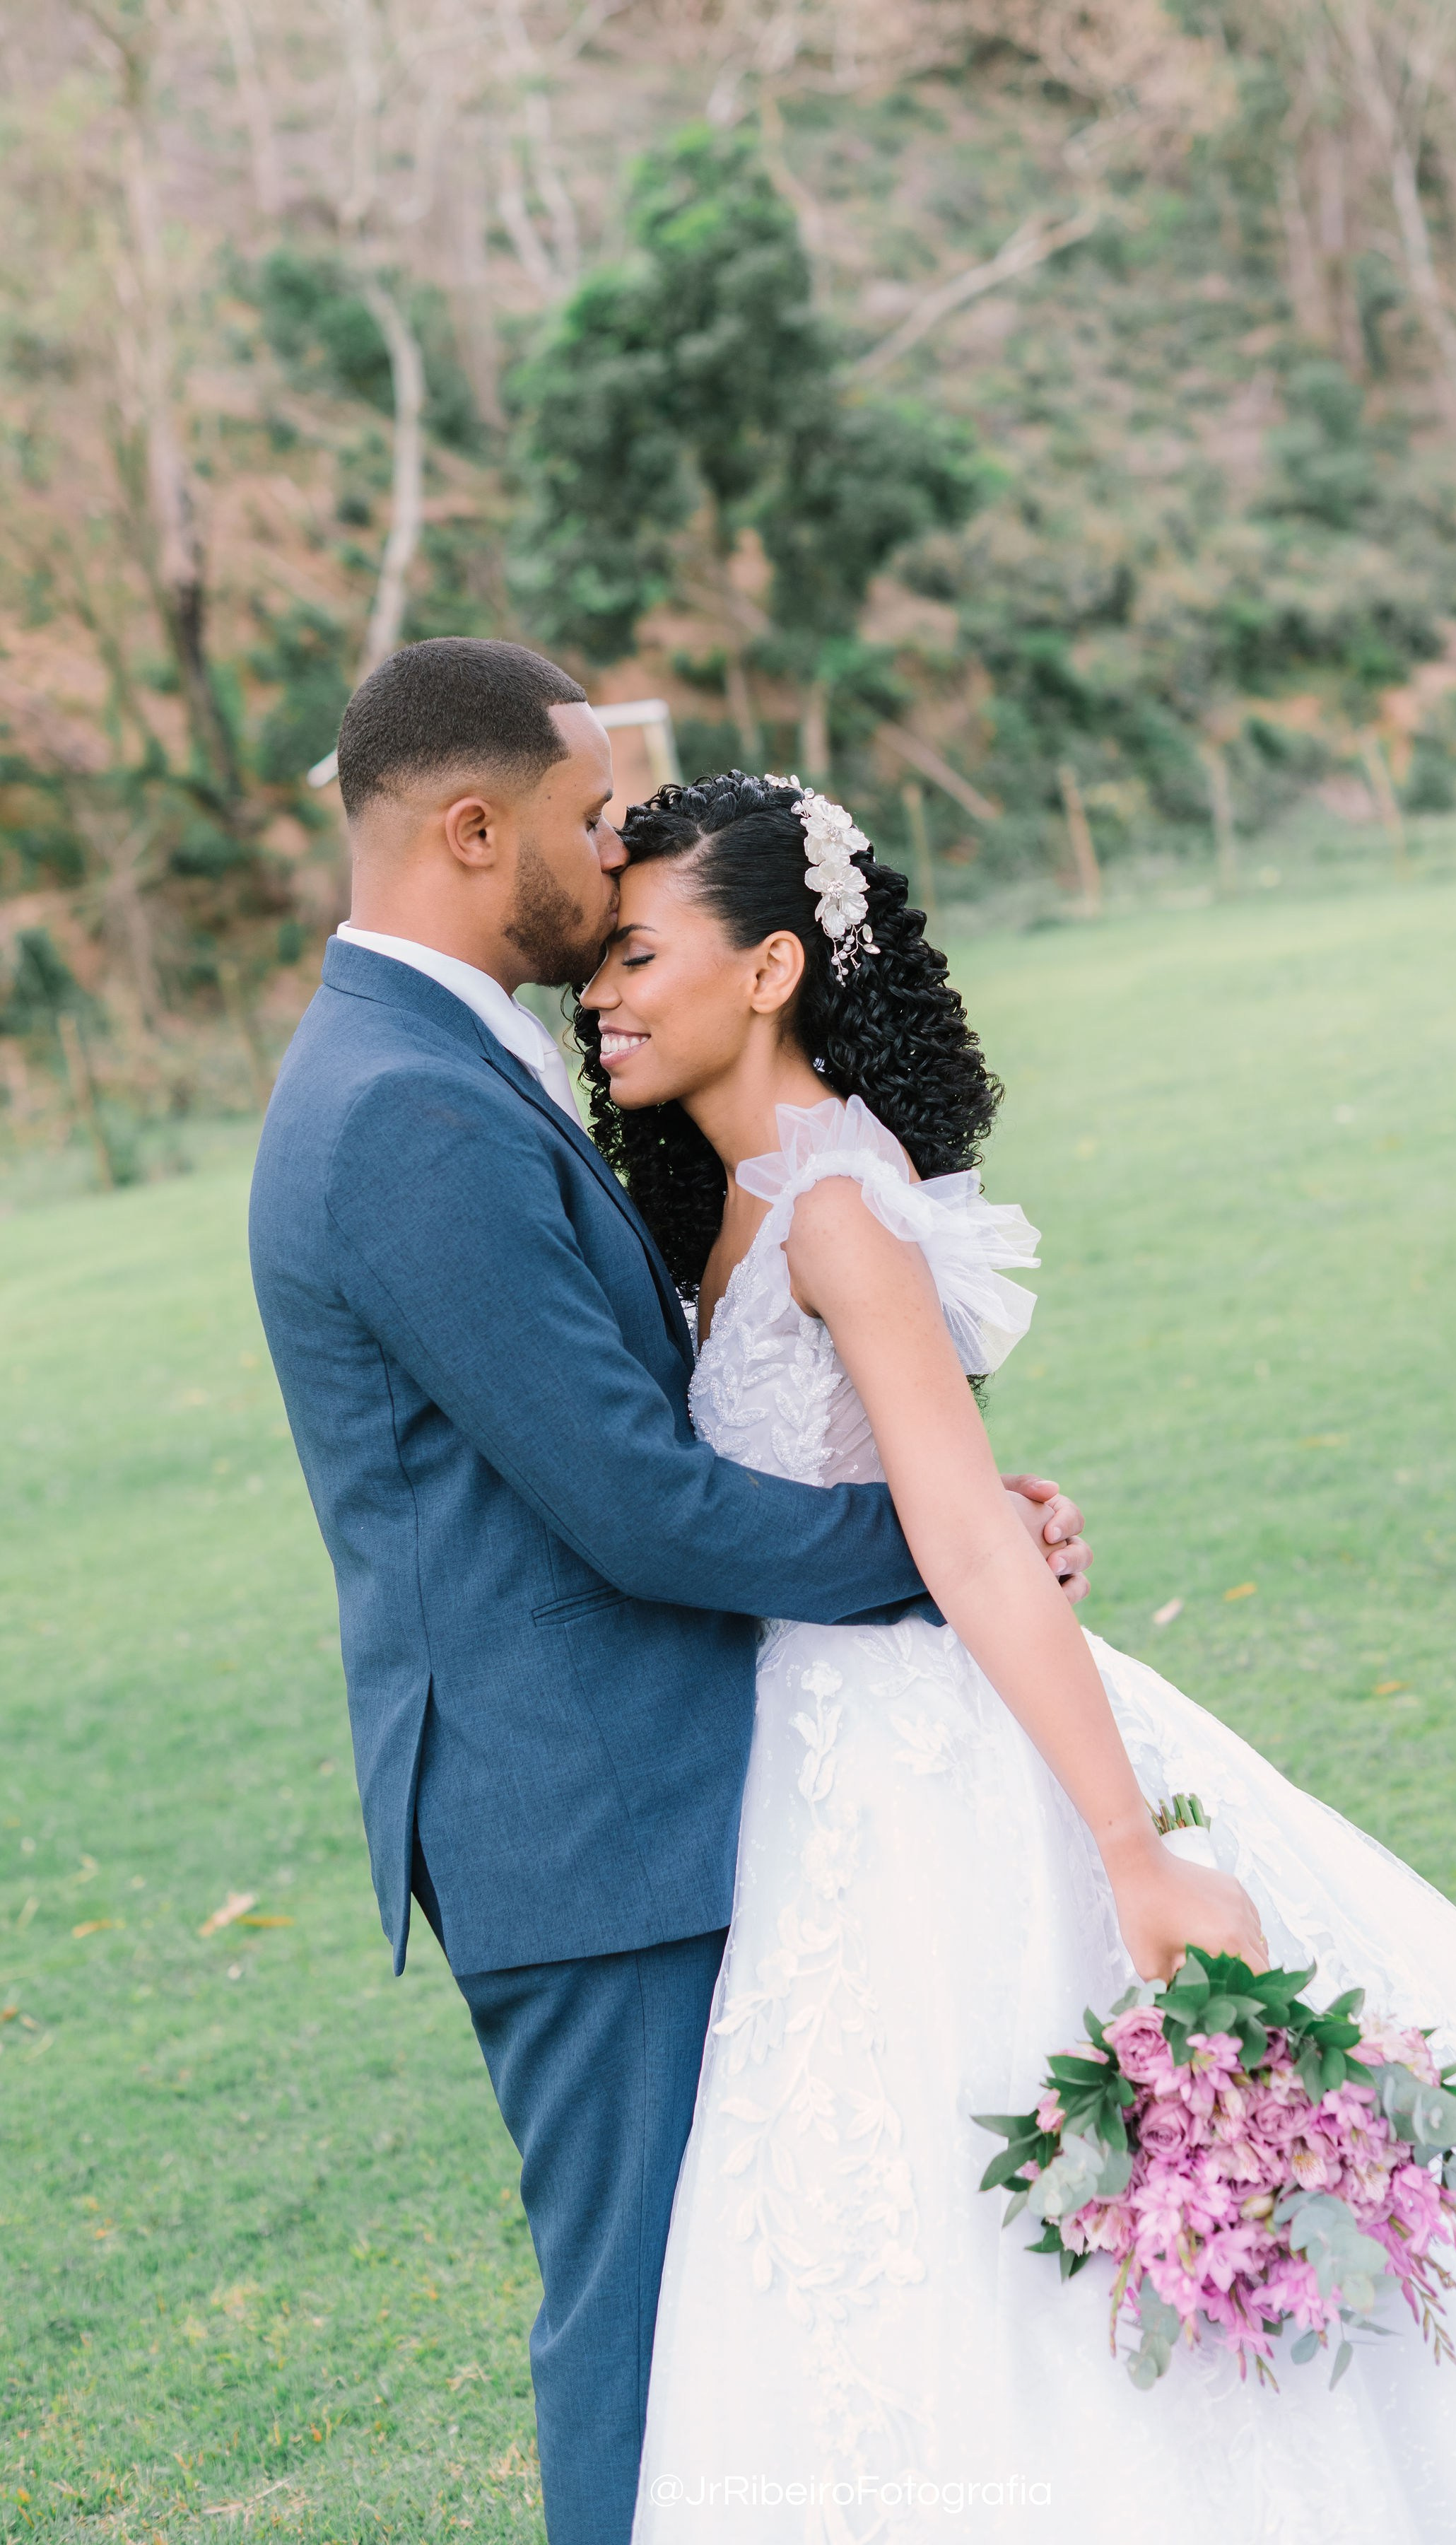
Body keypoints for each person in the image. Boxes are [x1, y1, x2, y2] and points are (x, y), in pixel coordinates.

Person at [573, 769, 1456, 2542]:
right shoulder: (734, 1202)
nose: (599, 993)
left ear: (774, 966)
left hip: (911, 1754)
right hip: (813, 1763)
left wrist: (1123, 1849)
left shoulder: (836, 1213)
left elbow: (955, 1541)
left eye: (637, 953)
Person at [245, 638, 1130, 2545]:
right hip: (583, 1819)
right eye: (586, 818)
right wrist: (942, 1536)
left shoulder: (440, 1060)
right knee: (650, 2336)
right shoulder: (402, 1110)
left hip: (654, 1787)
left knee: (763, 2325)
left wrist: (940, 1495)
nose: (614, 840)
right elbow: (637, 1508)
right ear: (473, 831)